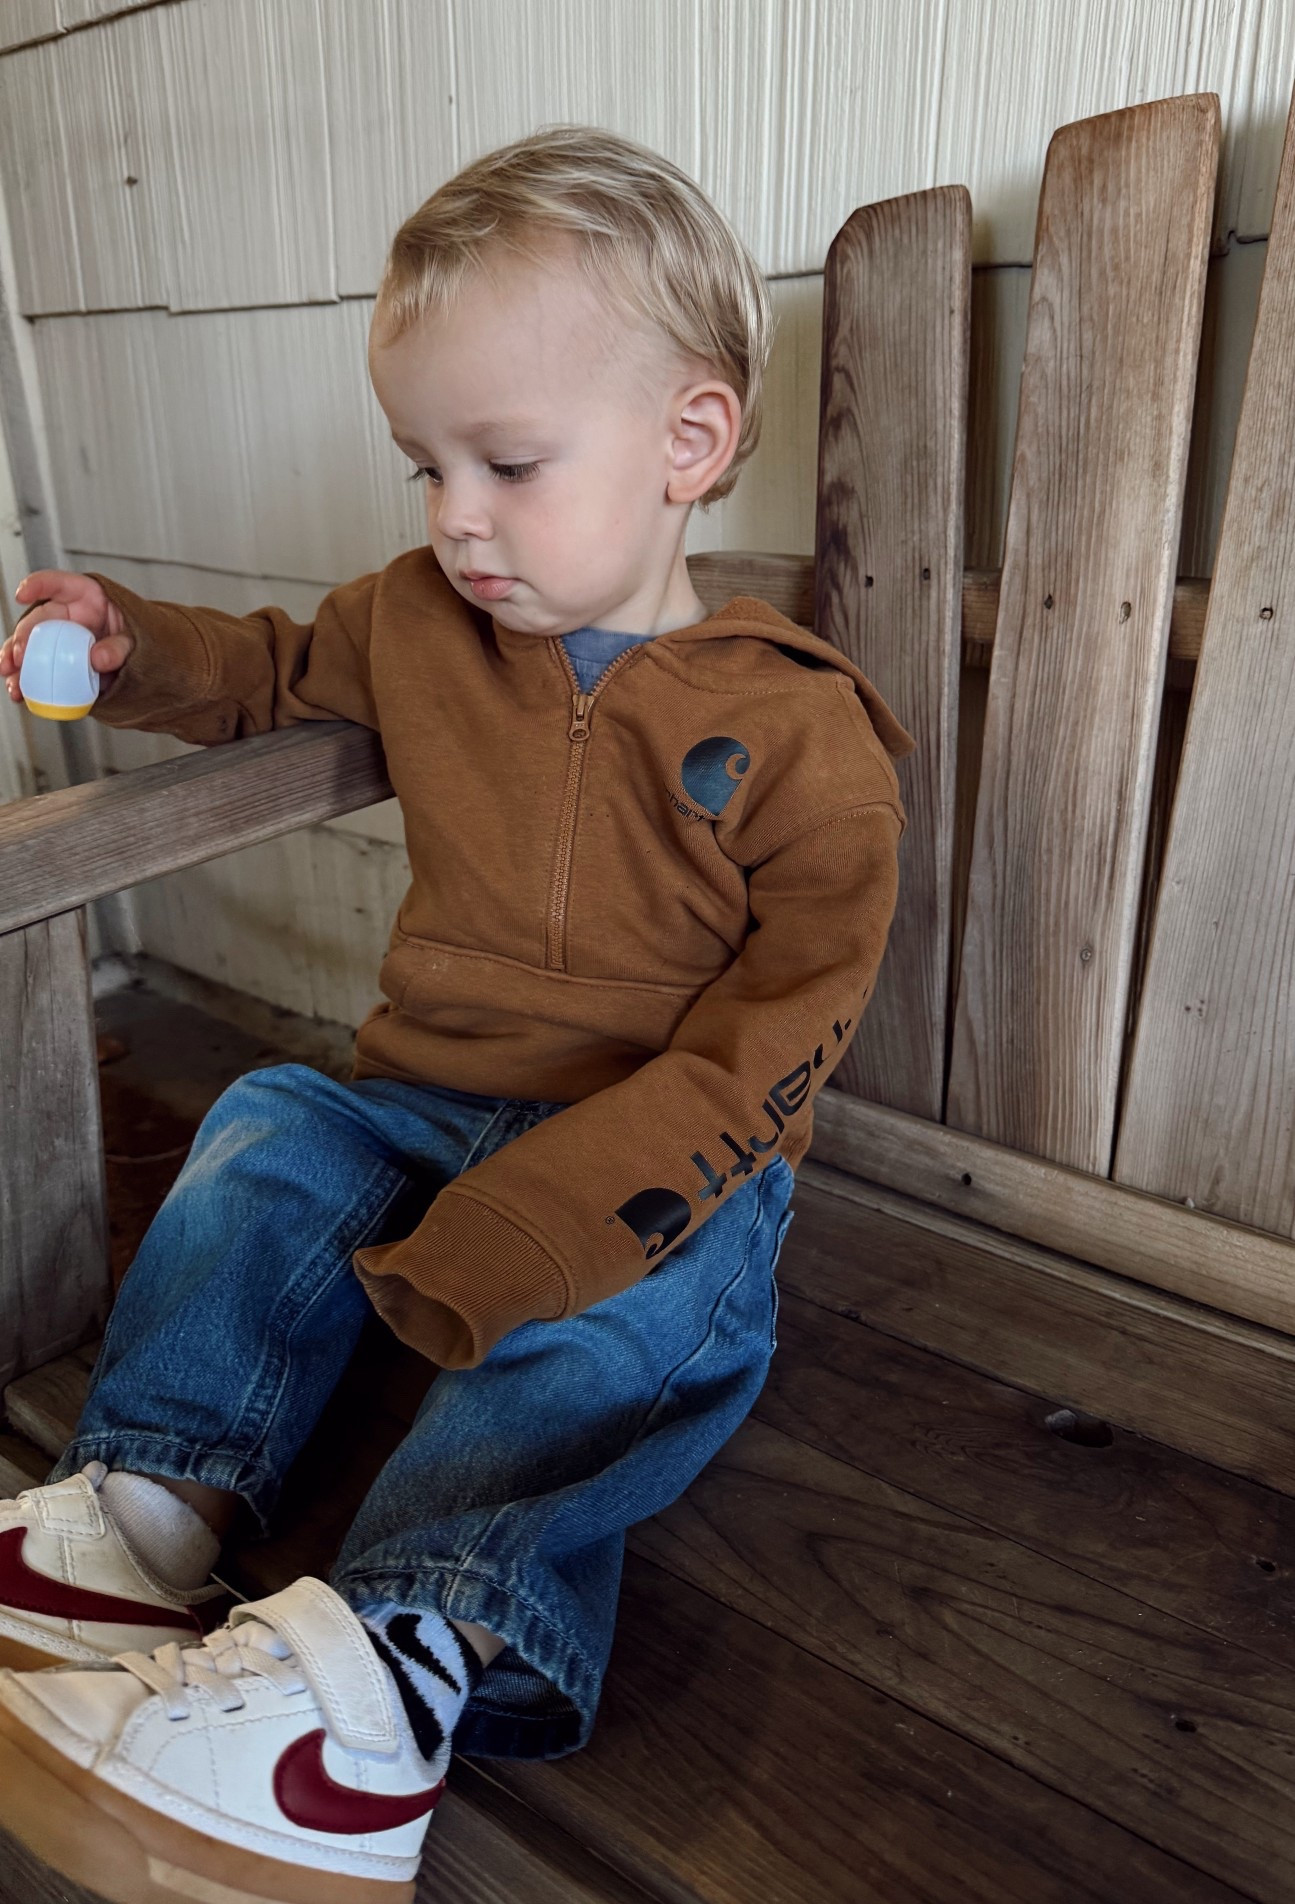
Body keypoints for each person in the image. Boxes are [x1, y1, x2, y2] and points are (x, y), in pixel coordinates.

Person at [0, 125, 914, 1904]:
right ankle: (142, 1512)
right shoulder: (419, 622)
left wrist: (587, 1204)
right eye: (423, 464)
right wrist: (132, 650)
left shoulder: (804, 735)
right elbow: (265, 669)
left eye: (502, 461)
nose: (451, 518)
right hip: (417, 1099)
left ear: (689, 445)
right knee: (268, 1127)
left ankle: (389, 1675)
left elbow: (796, 1011)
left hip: (662, 1150)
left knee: (608, 1337)